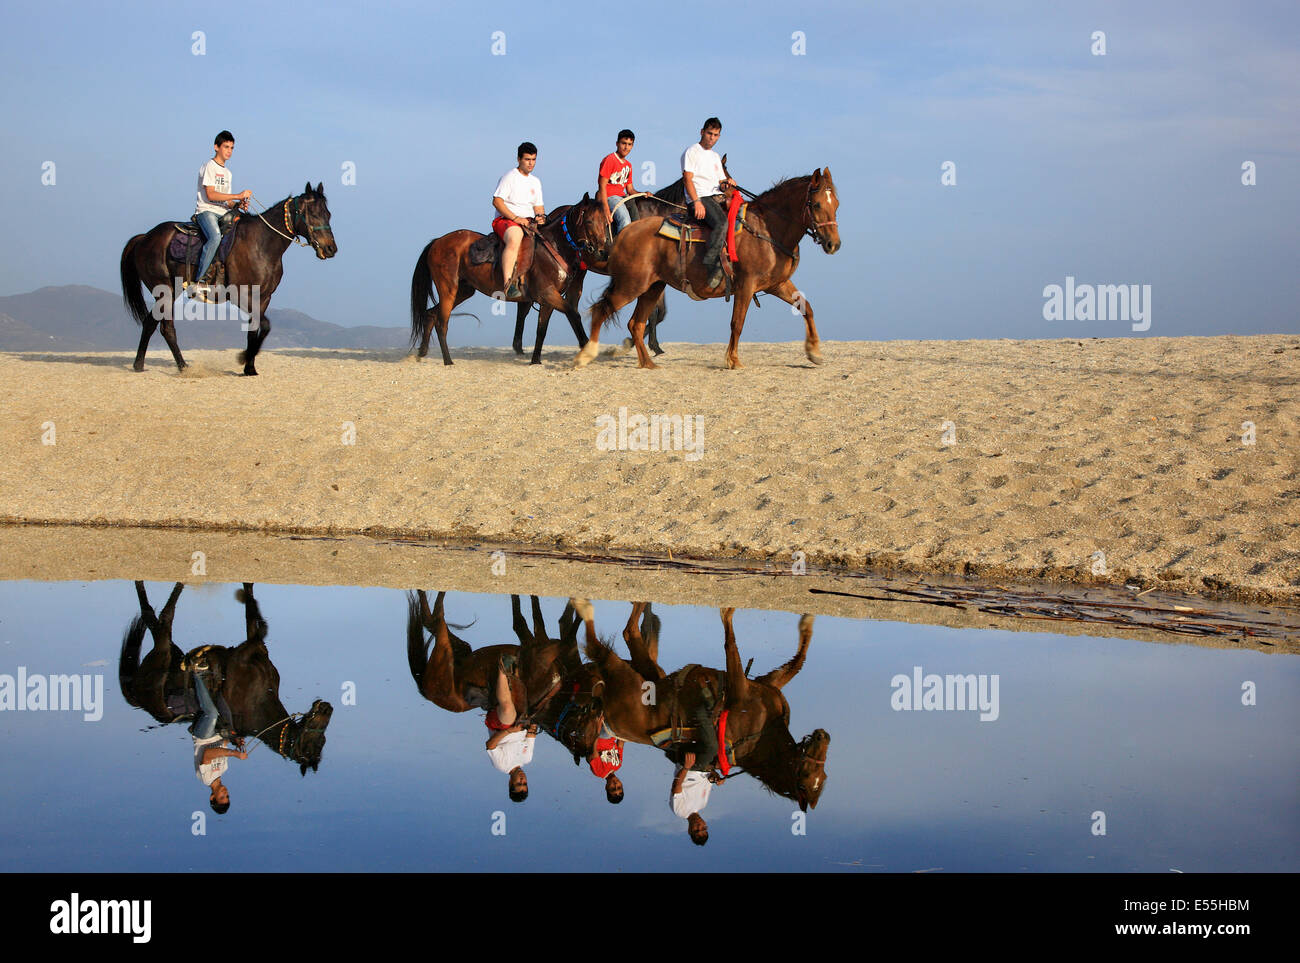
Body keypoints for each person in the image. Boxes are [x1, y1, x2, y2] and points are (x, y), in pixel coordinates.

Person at [192, 130, 252, 301]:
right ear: (216, 147)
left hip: (222, 212)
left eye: (232, 148)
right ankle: (199, 281)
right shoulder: (209, 167)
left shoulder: (228, 173)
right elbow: (211, 195)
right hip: (206, 211)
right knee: (215, 237)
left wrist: (239, 204)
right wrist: (237, 195)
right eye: (226, 147)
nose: (229, 151)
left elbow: (226, 201)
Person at [681, 117, 738, 289]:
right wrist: (696, 202)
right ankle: (711, 264)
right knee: (721, 223)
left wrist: (726, 183)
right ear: (702, 132)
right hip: (701, 198)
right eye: (709, 134)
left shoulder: (715, 156)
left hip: (715, 197)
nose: (712, 138)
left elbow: (720, 182)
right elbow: (687, 179)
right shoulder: (692, 151)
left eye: (716, 135)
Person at [491, 142, 546, 300]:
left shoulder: (535, 182)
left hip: (528, 222)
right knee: (515, 237)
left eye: (533, 159)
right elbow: (497, 201)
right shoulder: (510, 177)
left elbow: (539, 208)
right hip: (507, 220)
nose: (531, 163)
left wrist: (541, 222)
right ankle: (508, 284)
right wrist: (516, 218)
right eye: (527, 159)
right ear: (518, 159)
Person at [190, 670, 246, 814]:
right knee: (228, 712)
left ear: (212, 797)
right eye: (227, 796)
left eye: (222, 797)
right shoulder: (223, 769)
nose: (225, 792)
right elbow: (223, 745)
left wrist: (234, 754)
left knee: (212, 714)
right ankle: (219, 679)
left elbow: (208, 753)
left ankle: (195, 673)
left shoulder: (206, 778)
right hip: (217, 736)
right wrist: (236, 741)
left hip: (203, 736)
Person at [484, 654, 535, 802]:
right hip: (522, 723)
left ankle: (501, 668)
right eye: (524, 783)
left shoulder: (501, 765)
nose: (522, 779)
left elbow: (490, 745)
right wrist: (535, 721)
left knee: (507, 710)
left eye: (519, 783)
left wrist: (509, 731)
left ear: (510, 783)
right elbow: (531, 733)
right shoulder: (527, 758)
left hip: (501, 725)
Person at [596, 129, 645, 236]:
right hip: (610, 196)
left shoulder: (628, 165)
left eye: (629, 144)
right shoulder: (610, 159)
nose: (626, 147)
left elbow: (630, 189)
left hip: (623, 197)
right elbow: (602, 185)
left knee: (638, 224)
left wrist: (644, 194)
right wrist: (605, 208)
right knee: (625, 221)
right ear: (617, 143)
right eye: (623, 143)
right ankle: (620, 250)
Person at [670, 750, 714, 846]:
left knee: (711, 749)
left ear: (689, 831)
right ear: (705, 825)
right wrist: (716, 778)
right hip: (706, 768)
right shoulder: (703, 804)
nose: (699, 826)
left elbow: (676, 785)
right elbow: (709, 779)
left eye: (696, 830)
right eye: (703, 828)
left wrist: (686, 767)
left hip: (691, 768)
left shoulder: (680, 811)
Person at [587, 717, 625, 804]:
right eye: (619, 787)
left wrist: (598, 726)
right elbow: (620, 743)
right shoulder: (618, 765)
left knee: (613, 725)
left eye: (613, 789)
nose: (616, 785)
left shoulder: (599, 772)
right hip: (612, 735)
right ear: (621, 784)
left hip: (601, 735)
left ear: (606, 787)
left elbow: (593, 748)